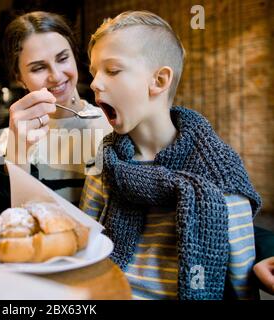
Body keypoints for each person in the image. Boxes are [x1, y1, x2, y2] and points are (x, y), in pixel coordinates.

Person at [83, 10, 263, 300]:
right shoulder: (104, 161)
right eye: (94, 73)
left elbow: (243, 286)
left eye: (113, 70)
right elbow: (83, 251)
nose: (94, 83)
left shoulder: (222, 175)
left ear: (159, 80)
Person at [0, 11, 112, 214]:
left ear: (74, 56)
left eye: (63, 58)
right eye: (38, 68)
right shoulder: (13, 137)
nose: (55, 76)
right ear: (19, 78)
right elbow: (9, 217)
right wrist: (19, 150)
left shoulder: (110, 122)